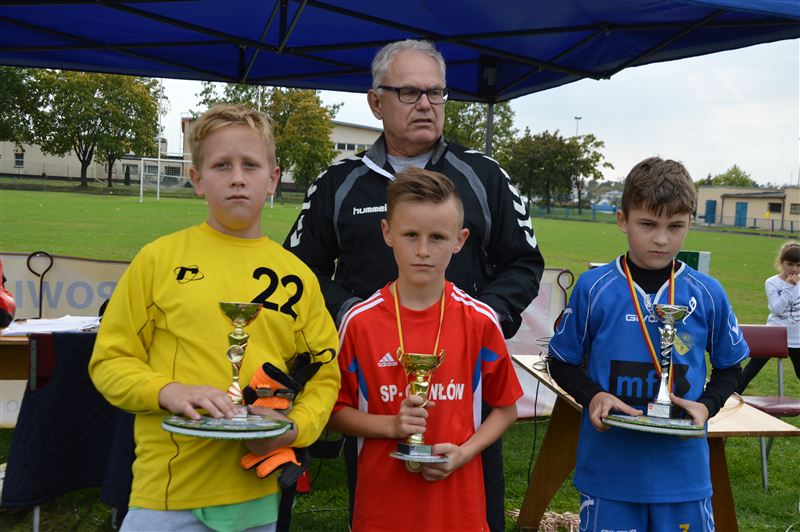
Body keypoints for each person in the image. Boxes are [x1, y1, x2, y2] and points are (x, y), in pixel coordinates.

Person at [285, 38, 544, 530]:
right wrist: (349, 313)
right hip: (376, 385)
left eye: (436, 92)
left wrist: (482, 320)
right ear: (375, 102)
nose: (426, 104)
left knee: (471, 509)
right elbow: (298, 270)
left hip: (462, 391)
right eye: (408, 92)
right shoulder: (337, 182)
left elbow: (523, 263)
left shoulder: (485, 175)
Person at [89, 104, 340, 532]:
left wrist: (295, 428)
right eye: (222, 165)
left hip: (257, 492)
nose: (237, 177)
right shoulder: (158, 260)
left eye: (250, 165)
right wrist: (167, 391)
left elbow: (326, 372)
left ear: (273, 179)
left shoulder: (298, 276)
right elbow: (109, 361)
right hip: (168, 492)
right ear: (198, 179)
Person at [547, 157, 748, 530]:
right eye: (648, 224)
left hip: (683, 474)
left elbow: (730, 367)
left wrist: (707, 405)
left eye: (675, 226)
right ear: (622, 220)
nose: (661, 239)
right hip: (610, 472)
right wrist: (593, 396)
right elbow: (560, 361)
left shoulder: (707, 293)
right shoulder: (594, 288)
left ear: (690, 222)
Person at [328, 167, 522, 531]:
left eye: (437, 237)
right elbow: (335, 412)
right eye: (410, 235)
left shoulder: (480, 321)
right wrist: (392, 425)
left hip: (458, 513)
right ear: (387, 232)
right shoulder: (359, 322)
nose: (422, 250)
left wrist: (463, 453)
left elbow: (506, 409)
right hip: (382, 512)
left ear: (460, 240)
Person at [736, 241, 800, 393]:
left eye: (798, 265)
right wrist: (789, 287)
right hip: (774, 335)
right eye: (790, 264)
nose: (794, 269)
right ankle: (727, 400)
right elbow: (777, 309)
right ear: (781, 262)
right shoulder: (772, 282)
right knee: (749, 372)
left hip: (797, 338)